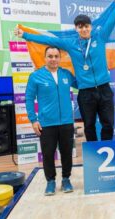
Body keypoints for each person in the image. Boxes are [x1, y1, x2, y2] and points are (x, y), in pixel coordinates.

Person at [15, 11, 115, 141]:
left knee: (108, 124)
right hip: (86, 92)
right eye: (80, 27)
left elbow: (111, 22)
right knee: (89, 126)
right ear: (76, 29)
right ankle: (95, 157)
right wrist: (25, 35)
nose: (84, 29)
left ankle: (107, 148)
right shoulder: (71, 43)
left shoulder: (100, 36)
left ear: (90, 27)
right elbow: (48, 40)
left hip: (104, 89)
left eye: (86, 26)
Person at [25, 47, 77, 195]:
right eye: (50, 56)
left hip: (66, 122)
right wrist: (33, 120)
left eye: (56, 56)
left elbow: (82, 84)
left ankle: (66, 179)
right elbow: (29, 99)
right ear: (45, 57)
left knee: (67, 153)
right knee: (48, 154)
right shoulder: (36, 76)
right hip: (47, 123)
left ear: (60, 58)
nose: (53, 59)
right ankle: (51, 181)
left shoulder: (66, 74)